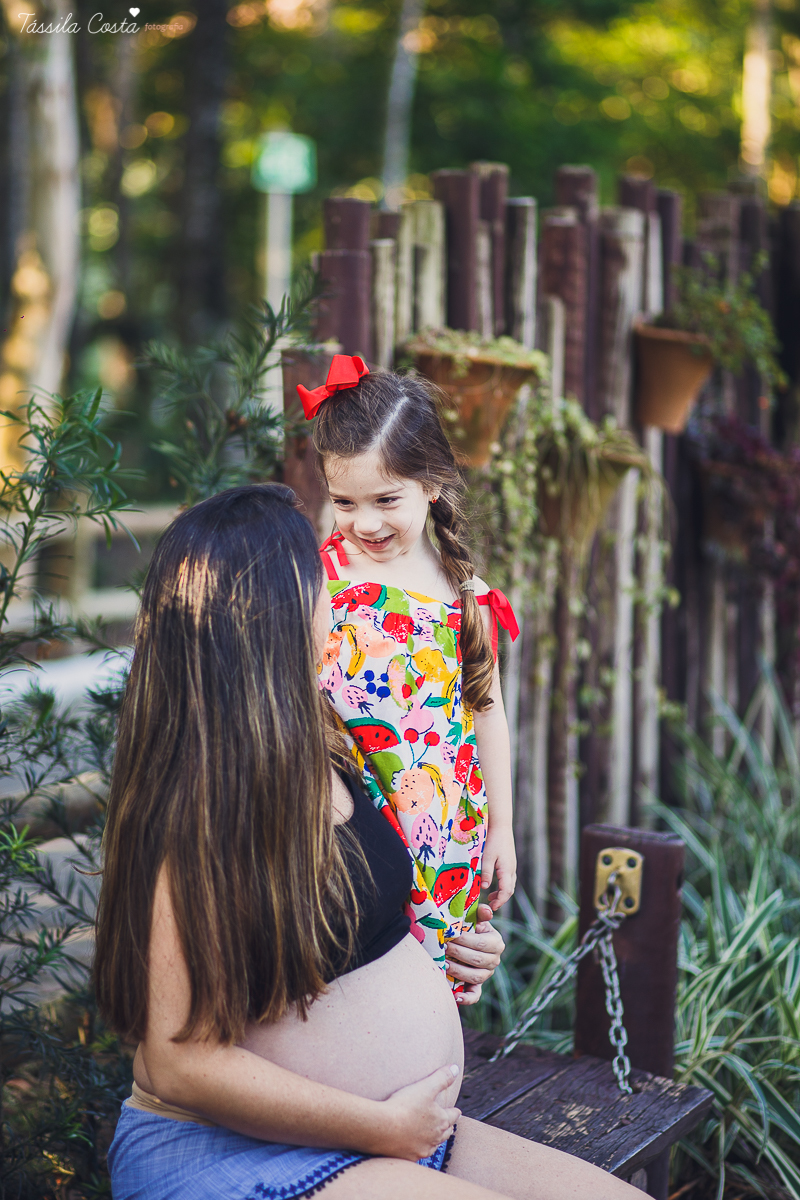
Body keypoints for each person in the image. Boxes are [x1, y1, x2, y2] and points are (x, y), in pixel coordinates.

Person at [95, 484, 643, 1200]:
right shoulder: (198, 804)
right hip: (242, 1152)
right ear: (275, 613)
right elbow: (178, 1065)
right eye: (319, 578)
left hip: (398, 1135)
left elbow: (351, 922)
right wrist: (381, 1127)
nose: (336, 590)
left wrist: (443, 951)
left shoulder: (323, 740)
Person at [303, 356, 518, 993]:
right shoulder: (320, 581)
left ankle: (423, 1080)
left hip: (442, 825)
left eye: (385, 500)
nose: (364, 523)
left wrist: (502, 828)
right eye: (345, 502)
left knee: (434, 979)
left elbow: (487, 711)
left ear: (432, 484)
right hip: (347, 819)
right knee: (355, 972)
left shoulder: (465, 594)